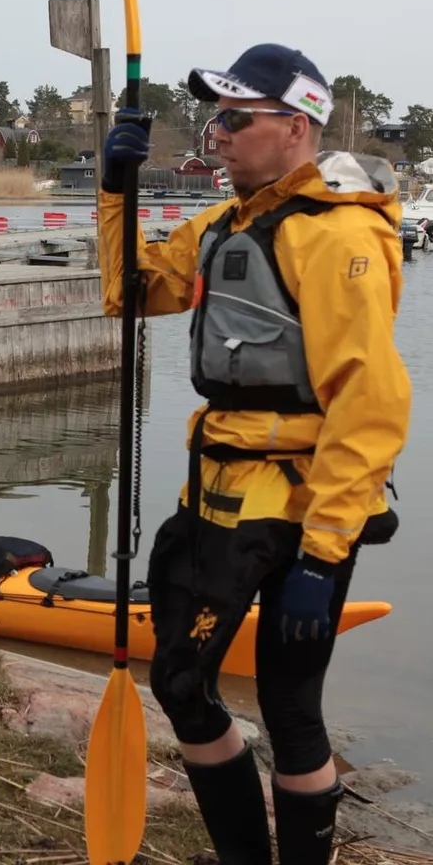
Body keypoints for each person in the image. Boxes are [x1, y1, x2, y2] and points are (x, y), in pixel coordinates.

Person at [96, 43, 412, 864]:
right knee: (186, 686)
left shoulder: (336, 236)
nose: (218, 135)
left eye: (237, 118)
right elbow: (126, 292)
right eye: (214, 119)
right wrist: (113, 190)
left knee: (286, 707)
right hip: (220, 490)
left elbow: (369, 403)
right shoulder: (219, 226)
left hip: (297, 508)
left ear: (297, 127)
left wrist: (322, 553)